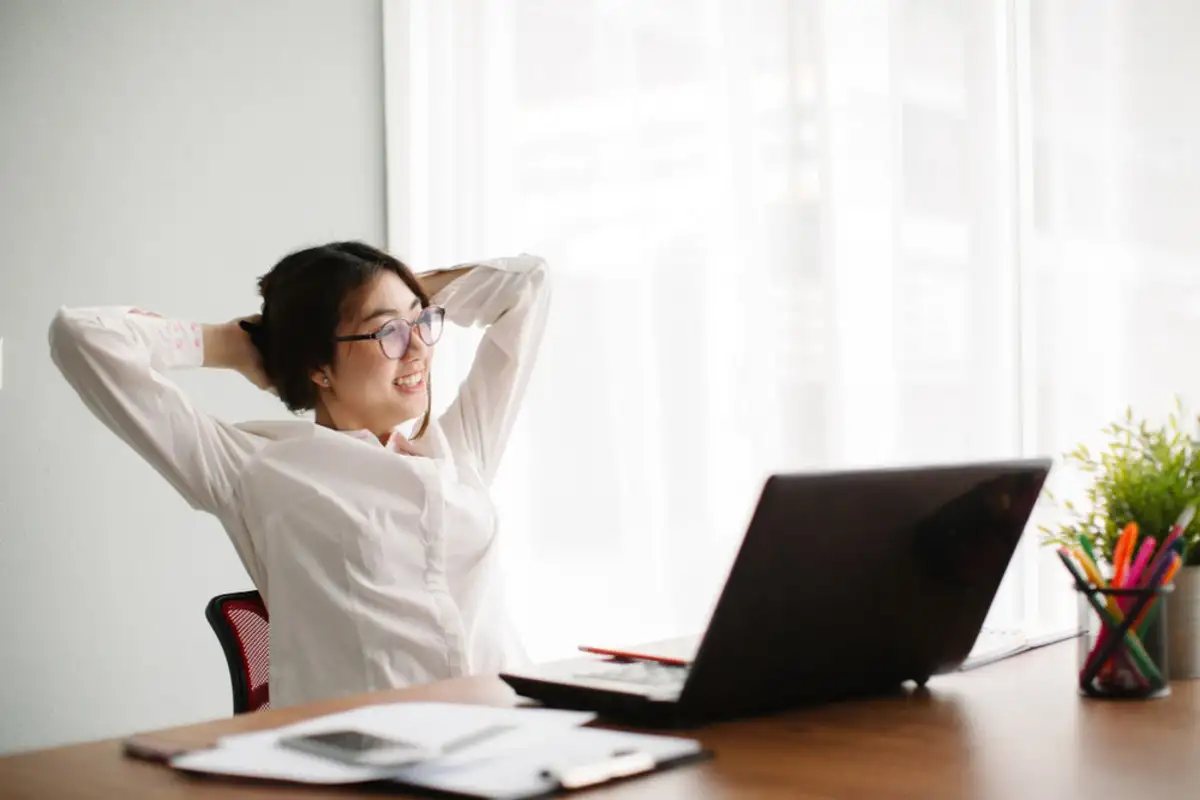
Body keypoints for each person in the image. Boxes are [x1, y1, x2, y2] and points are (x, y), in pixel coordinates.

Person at [49, 241, 551, 707]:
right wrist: (231, 342)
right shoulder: (256, 469)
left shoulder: (458, 449)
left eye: (422, 322)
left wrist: (395, 296)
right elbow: (83, 337)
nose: (418, 348)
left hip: (512, 728)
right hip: (372, 757)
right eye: (389, 333)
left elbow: (528, 283)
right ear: (317, 364)